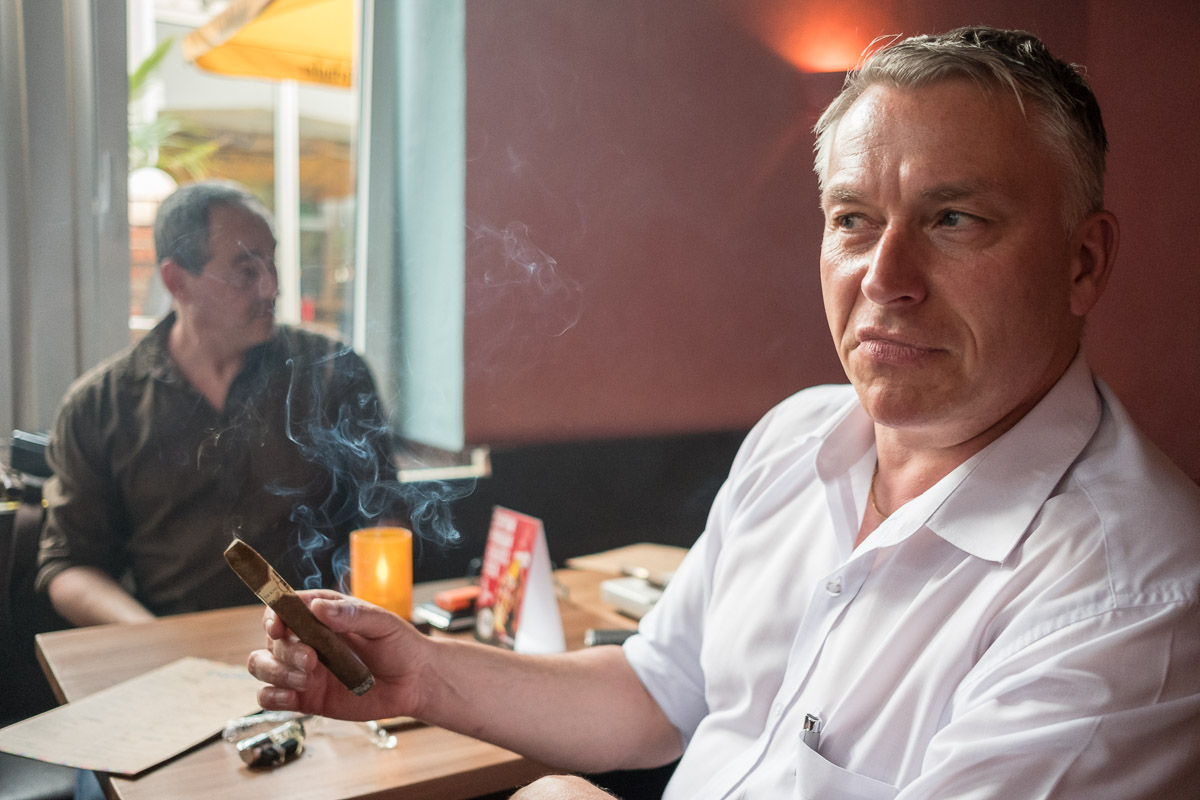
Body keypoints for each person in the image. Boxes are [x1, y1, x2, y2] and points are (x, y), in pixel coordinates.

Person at [246, 27, 1200, 798]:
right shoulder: (797, 436)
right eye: (853, 219)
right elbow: (656, 693)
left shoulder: (1134, 603)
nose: (885, 279)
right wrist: (424, 672)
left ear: (1083, 262)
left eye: (955, 219)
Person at [36, 180, 394, 627]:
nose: (272, 287)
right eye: (246, 270)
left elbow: (385, 516)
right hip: (172, 645)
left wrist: (342, 621)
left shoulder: (332, 372)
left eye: (272, 262)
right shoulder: (99, 406)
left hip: (314, 638)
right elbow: (68, 565)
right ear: (176, 280)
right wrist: (152, 639)